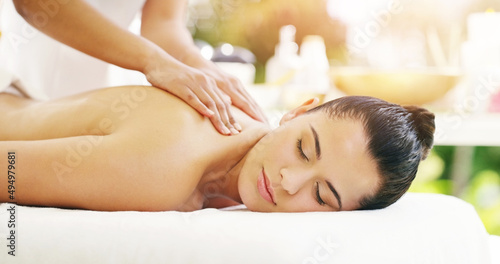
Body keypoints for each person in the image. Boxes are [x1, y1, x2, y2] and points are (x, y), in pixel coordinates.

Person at [0, 85, 435, 212]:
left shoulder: (229, 176)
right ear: (299, 110)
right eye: (304, 149)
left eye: (322, 196)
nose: (288, 181)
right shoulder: (163, 170)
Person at [0, 0, 266, 136]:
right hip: (14, 72)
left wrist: (197, 64)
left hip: (92, 88)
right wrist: (153, 61)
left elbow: (163, 23)